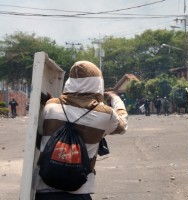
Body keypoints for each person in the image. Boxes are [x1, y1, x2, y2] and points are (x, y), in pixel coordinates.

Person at [33, 61, 128, 200]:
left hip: (44, 189)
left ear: (70, 82)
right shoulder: (105, 114)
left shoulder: (50, 106)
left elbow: (39, 143)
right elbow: (123, 125)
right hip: (80, 191)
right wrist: (116, 99)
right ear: (98, 84)